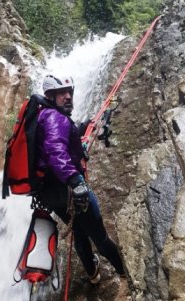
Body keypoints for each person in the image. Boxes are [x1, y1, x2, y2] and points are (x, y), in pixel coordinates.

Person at [33, 74, 125, 284]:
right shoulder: (55, 118)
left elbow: (57, 139)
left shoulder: (44, 116)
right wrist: (75, 181)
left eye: (69, 92)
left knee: (79, 229)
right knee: (98, 234)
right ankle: (124, 271)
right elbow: (55, 150)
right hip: (68, 190)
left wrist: (80, 129)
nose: (68, 96)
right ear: (50, 96)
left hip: (51, 193)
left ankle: (92, 273)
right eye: (62, 93)